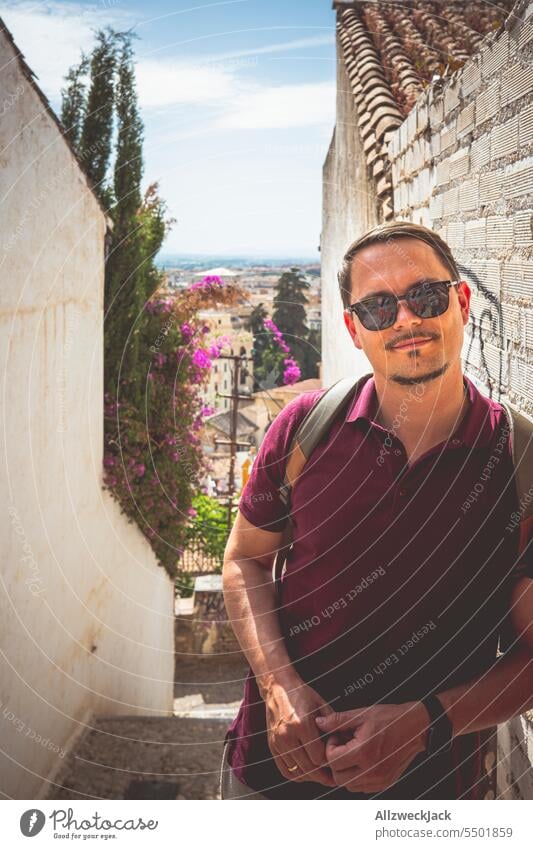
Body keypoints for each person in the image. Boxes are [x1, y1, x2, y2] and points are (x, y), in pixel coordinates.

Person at [221, 222, 533, 800]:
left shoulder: (520, 462)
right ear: (353, 328)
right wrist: (278, 688)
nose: (407, 320)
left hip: (436, 792)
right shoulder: (303, 431)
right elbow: (245, 561)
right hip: (274, 774)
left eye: (426, 296)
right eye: (379, 307)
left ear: (461, 301)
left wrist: (425, 723)